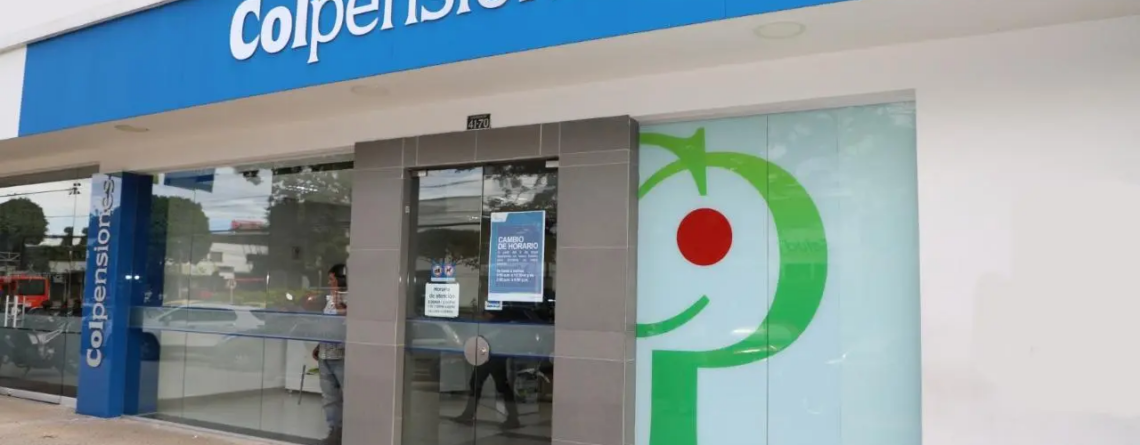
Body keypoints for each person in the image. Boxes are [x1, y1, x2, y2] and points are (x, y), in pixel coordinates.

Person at [313, 264, 348, 445]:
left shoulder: (350, 297)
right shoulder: (329, 299)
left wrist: (336, 297)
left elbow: (346, 315)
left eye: (332, 279)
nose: (329, 283)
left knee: (348, 394)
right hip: (325, 354)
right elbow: (328, 323)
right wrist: (319, 345)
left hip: (341, 355)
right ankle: (335, 430)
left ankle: (350, 432)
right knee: (329, 397)